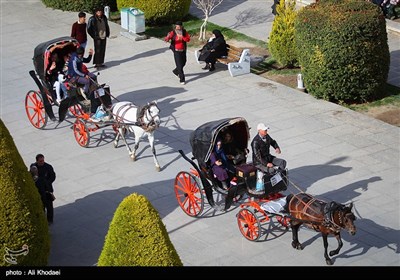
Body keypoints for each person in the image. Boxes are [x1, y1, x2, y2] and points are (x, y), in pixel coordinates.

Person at [251, 123, 286, 191]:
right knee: (271, 170)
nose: (266, 131)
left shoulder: (267, 136)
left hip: (268, 157)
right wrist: (266, 164)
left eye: (266, 130)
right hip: (259, 163)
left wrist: (277, 148)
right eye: (264, 130)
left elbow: (273, 142)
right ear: (259, 131)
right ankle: (270, 186)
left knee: (282, 162)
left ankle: (279, 180)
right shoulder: (255, 142)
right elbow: (257, 156)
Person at [30, 154, 56, 224]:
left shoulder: (48, 167)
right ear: (37, 161)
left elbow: (53, 176)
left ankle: (50, 220)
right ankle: (42, 220)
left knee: (49, 206)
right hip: (38, 190)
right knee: (41, 206)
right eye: (40, 161)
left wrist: (47, 182)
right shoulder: (33, 167)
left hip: (47, 190)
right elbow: (31, 176)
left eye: (43, 160)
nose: (42, 162)